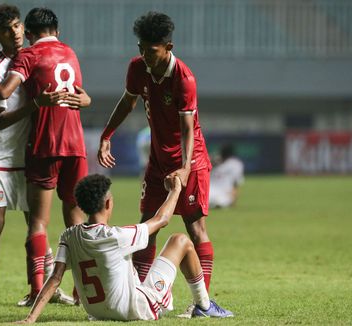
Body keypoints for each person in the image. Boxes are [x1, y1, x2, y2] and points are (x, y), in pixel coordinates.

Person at [0, 7, 91, 307]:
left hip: (34, 149)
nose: (16, 32)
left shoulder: (33, 56)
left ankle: (45, 288)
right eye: (9, 29)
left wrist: (85, 99)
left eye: (18, 26)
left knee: (35, 222)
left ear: (27, 29)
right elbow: (1, 121)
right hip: (1, 153)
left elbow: (77, 94)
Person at [97, 12, 219, 315]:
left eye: (150, 51)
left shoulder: (184, 79)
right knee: (146, 226)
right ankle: (139, 292)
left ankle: (202, 304)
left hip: (190, 160)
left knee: (195, 228)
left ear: (168, 47)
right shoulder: (138, 68)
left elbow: (189, 129)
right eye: (141, 48)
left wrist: (186, 167)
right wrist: (106, 134)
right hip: (158, 161)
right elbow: (128, 102)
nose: (144, 55)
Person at [16, 174, 233, 323]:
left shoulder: (69, 235)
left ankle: (202, 306)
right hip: (136, 309)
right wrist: (175, 189)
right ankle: (204, 306)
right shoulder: (116, 236)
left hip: (96, 313)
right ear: (108, 203)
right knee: (180, 240)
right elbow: (162, 219)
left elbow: (54, 278)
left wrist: (30, 319)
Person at [209, 144, 244, 208]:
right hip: (219, 195)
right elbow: (236, 185)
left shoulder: (234, 164)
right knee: (223, 201)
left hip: (212, 194)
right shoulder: (235, 164)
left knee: (219, 200)